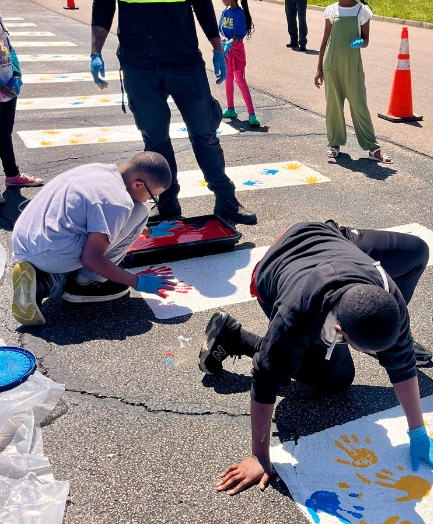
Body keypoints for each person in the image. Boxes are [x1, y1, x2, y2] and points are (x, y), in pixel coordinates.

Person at [200, 221, 433, 495]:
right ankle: (235, 338)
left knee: (416, 251)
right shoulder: (297, 314)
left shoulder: (388, 296)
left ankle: (378, 336)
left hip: (325, 237)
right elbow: (266, 379)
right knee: (336, 379)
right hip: (276, 268)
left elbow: (403, 366)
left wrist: (418, 433)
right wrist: (259, 455)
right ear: (338, 331)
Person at [91, 0, 257, 225]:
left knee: (204, 132)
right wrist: (95, 52)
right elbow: (103, 6)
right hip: (139, 64)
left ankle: (226, 200)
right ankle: (168, 202)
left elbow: (202, 4)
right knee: (155, 139)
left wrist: (217, 48)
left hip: (184, 60)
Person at [10, 152, 179, 327]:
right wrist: (137, 281)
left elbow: (100, 213)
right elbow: (91, 259)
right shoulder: (118, 202)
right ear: (138, 184)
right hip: (47, 252)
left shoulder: (100, 170)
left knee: (135, 213)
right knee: (141, 212)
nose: (150, 200)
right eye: (153, 196)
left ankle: (40, 281)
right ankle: (85, 284)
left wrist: (148, 232)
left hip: (24, 238)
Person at [315, 0, 391, 163]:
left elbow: (365, 40)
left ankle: (373, 148)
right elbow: (325, 40)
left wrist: (359, 42)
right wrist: (319, 68)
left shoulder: (362, 11)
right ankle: (334, 144)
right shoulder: (331, 10)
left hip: (352, 66)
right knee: (333, 105)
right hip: (331, 65)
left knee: (360, 105)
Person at [0, 18, 43, 198]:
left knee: (4, 132)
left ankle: (12, 175)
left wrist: (16, 73)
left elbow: (7, 46)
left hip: (7, 86)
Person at [219, 0, 259, 127]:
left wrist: (230, 42)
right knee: (228, 79)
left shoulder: (238, 13)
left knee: (240, 80)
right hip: (226, 51)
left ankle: (252, 114)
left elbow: (238, 33)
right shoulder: (224, 12)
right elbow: (218, 30)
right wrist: (223, 40)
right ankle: (231, 109)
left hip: (237, 52)